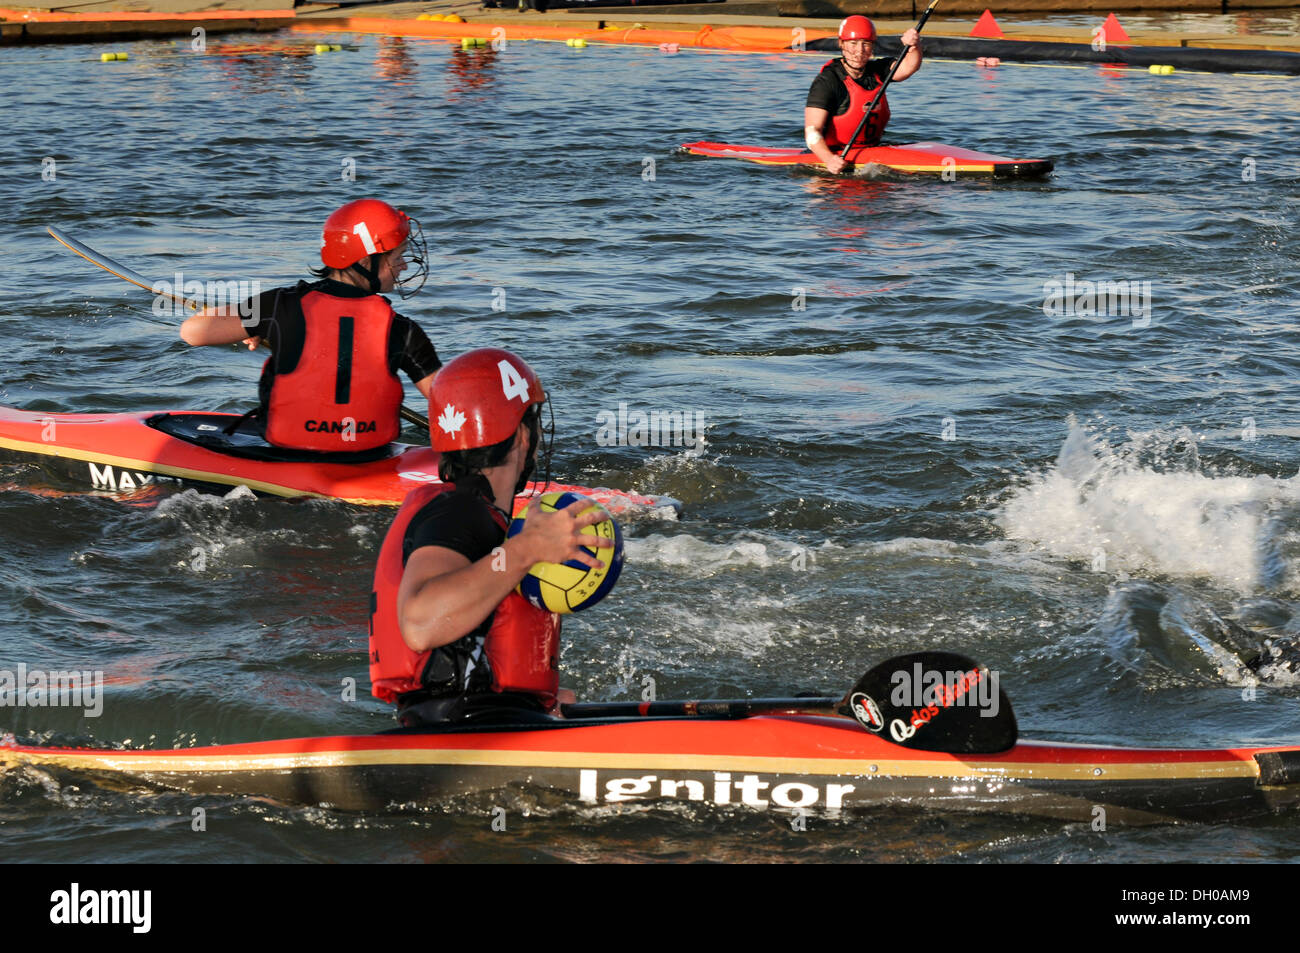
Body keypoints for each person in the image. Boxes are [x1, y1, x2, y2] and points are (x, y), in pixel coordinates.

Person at [368, 348, 613, 726]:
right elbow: (420, 623)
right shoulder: (457, 512)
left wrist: (540, 703)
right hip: (461, 730)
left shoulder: (478, 513)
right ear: (520, 436)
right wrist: (527, 549)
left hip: (487, 720)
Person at [179, 199, 440, 453]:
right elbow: (449, 403)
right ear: (364, 261)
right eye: (398, 257)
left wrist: (257, 325)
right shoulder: (403, 329)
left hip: (291, 452)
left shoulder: (279, 305)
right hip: (368, 456)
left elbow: (192, 332)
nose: (404, 266)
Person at [804, 15, 923, 174]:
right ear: (841, 43)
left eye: (866, 44)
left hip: (872, 150)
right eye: (853, 43)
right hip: (835, 155)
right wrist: (828, 159)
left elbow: (909, 67)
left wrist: (914, 46)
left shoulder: (878, 70)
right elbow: (812, 131)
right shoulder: (827, 81)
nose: (859, 51)